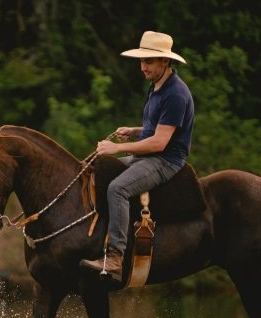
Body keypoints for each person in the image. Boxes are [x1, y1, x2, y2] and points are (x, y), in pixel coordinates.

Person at [80, 30, 194, 282]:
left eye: (148, 61)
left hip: (166, 160)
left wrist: (117, 148)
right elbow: (158, 129)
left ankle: (116, 257)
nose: (143, 67)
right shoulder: (157, 85)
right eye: (141, 61)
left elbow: (161, 142)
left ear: (165, 61)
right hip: (151, 153)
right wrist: (134, 131)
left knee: (117, 188)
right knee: (99, 172)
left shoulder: (175, 94)